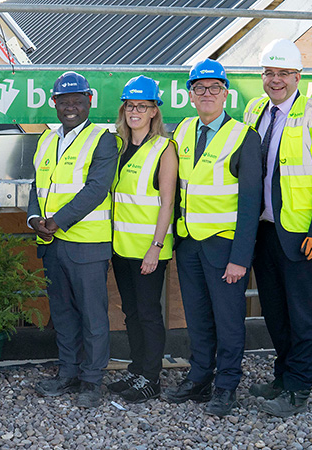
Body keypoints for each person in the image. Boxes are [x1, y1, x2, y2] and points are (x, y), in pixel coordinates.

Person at [243, 39, 312, 417]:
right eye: (269, 73)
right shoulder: (255, 110)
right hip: (265, 232)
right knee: (275, 313)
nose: (275, 80)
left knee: (302, 316)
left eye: (283, 73)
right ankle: (282, 377)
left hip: (303, 237)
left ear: (297, 77)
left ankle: (299, 388)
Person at [164, 59, 262, 417]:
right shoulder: (183, 130)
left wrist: (240, 257)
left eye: (214, 88)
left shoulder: (243, 136)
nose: (207, 94)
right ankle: (201, 376)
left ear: (226, 94)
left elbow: (251, 203)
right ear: (190, 95)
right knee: (197, 315)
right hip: (190, 241)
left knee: (228, 318)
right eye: (199, 88)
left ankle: (227, 385)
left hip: (224, 245)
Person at [28, 71, 118, 408]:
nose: (70, 107)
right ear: (54, 104)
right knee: (63, 314)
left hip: (87, 244)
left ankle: (92, 381)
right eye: (64, 101)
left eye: (77, 101)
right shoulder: (48, 139)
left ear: (89, 102)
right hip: (52, 243)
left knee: (93, 316)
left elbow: (96, 189)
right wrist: (34, 218)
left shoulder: (103, 139)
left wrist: (56, 221)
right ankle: (68, 373)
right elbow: (37, 186)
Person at [107, 75, 177, 403]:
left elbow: (167, 203)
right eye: (131, 105)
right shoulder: (119, 146)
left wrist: (157, 246)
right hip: (121, 248)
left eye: (143, 106)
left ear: (154, 112)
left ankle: (151, 377)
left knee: (149, 313)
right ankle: (136, 370)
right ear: (124, 109)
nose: (136, 111)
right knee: (131, 312)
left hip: (149, 250)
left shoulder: (164, 149)